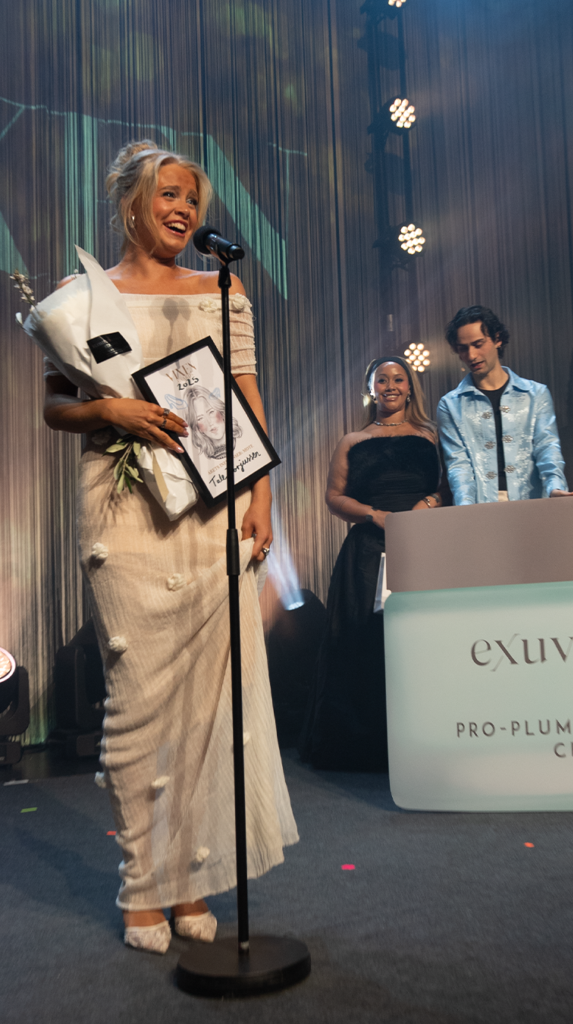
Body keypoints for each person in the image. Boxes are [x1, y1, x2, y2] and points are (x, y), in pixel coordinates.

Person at [41, 140, 298, 954]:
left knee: (203, 706)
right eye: (169, 195)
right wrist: (108, 412)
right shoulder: (82, 298)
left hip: (214, 501)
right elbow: (55, 407)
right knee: (140, 697)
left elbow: (248, 395)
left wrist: (264, 496)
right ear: (131, 203)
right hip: (124, 507)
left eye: (192, 199)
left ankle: (187, 878)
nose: (184, 209)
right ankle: (141, 887)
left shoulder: (221, 287)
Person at [299, 356, 441, 772]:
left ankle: (424, 739)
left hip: (421, 542)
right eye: (382, 379)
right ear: (371, 388)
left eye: (398, 379)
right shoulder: (352, 440)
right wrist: (373, 515)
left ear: (410, 388)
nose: (390, 385)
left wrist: (427, 504)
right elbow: (333, 498)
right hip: (366, 552)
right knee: (364, 642)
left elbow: (449, 484)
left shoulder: (431, 435)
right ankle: (366, 746)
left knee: (420, 643)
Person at [437, 305, 573, 503]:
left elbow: (547, 447)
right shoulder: (450, 405)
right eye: (463, 348)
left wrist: (555, 487)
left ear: (497, 339)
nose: (471, 355)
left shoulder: (535, 394)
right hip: (482, 507)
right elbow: (458, 466)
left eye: (478, 344)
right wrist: (466, 509)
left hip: (530, 504)